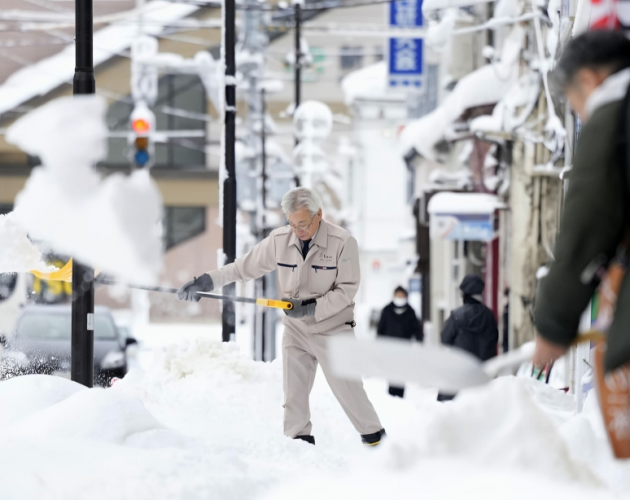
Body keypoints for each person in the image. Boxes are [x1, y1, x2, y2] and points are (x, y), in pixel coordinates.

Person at [178, 187, 385, 446]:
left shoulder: (343, 242)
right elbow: (243, 268)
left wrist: (311, 307)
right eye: (291, 224)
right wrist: (207, 281)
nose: (297, 231)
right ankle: (299, 447)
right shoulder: (279, 240)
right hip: (296, 329)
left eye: (303, 224)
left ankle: (377, 442)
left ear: (319, 214)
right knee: (294, 397)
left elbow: (347, 290)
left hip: (333, 328)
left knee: (349, 392)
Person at [533, 31, 630, 373]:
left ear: (589, 80)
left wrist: (552, 323)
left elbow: (588, 223)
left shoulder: (615, 113)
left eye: (576, 105)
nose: (583, 116)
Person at [439, 274, 499, 401]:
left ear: (464, 294)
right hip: (483, 371)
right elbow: (495, 339)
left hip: (461, 368)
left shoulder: (456, 315)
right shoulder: (489, 316)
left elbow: (445, 338)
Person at [377, 286, 422, 398]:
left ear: (406, 297)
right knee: (392, 372)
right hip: (390, 348)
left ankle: (400, 393)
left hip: (404, 348)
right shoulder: (387, 310)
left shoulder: (410, 312)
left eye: (402, 296)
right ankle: (391, 393)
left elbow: (417, 329)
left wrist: (419, 341)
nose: (400, 298)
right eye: (398, 296)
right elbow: (380, 329)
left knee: (401, 372)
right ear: (394, 296)